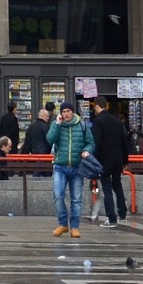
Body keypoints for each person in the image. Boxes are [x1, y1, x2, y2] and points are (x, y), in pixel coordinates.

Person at [46, 101, 91, 238]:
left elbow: (90, 142)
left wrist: (86, 150)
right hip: (60, 165)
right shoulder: (56, 125)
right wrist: (57, 125)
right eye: (63, 112)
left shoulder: (82, 125)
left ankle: (75, 227)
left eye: (68, 111)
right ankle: (63, 224)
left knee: (76, 198)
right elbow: (50, 139)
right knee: (58, 195)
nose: (65, 114)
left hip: (77, 166)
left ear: (73, 112)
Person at [90, 97, 133, 227]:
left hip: (104, 160)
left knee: (107, 188)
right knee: (117, 185)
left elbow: (97, 143)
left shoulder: (98, 122)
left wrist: (94, 161)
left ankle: (111, 217)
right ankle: (122, 214)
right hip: (117, 159)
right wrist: (125, 159)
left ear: (97, 106)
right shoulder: (116, 121)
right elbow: (123, 142)